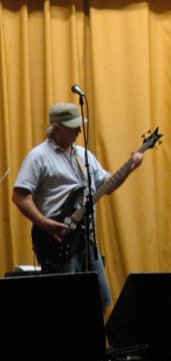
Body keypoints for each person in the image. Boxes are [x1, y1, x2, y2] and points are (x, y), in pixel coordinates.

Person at [12, 102, 144, 313]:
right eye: (73, 127)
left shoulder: (84, 156)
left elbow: (106, 185)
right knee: (67, 304)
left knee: (99, 299)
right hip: (57, 241)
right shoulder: (38, 156)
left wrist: (129, 167)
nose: (79, 131)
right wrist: (44, 223)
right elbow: (19, 196)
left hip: (86, 241)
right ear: (57, 127)